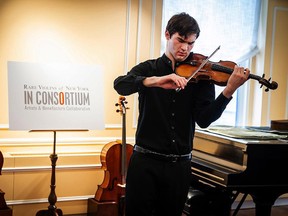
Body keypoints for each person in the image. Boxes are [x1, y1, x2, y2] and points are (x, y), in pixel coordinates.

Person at [113, 12, 250, 216]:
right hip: (145, 164)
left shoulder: (202, 76)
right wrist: (155, 81)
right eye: (180, 40)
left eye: (191, 43)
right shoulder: (149, 68)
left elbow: (204, 120)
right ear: (167, 35)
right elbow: (120, 85)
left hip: (179, 167)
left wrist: (228, 91)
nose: (185, 48)